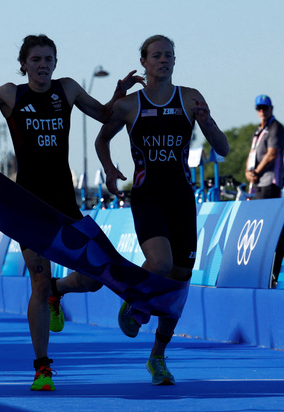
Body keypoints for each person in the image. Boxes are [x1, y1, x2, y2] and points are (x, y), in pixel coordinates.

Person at [0, 35, 140, 391]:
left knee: (95, 278)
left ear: (55, 63)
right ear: (23, 64)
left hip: (65, 204)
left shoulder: (67, 90)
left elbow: (104, 115)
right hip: (28, 208)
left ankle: (58, 289)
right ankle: (42, 368)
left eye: (49, 59)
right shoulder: (10, 94)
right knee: (36, 281)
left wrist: (119, 92)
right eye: (36, 59)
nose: (43, 65)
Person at [95, 35, 229, 385]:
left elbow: (224, 149)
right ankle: (136, 300)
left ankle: (157, 357)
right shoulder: (129, 105)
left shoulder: (189, 97)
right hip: (147, 195)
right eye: (157, 55)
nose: (164, 60)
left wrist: (208, 122)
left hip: (182, 198)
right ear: (144, 62)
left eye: (169, 55)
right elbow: (101, 139)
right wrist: (110, 170)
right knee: (160, 265)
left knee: (179, 280)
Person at [245, 94, 284, 199]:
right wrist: (247, 172)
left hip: (270, 180)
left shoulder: (275, 127)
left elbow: (272, 154)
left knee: (266, 213)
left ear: (271, 108)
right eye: (259, 108)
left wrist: (256, 172)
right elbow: (252, 153)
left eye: (265, 108)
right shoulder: (258, 130)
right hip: (258, 181)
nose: (262, 111)